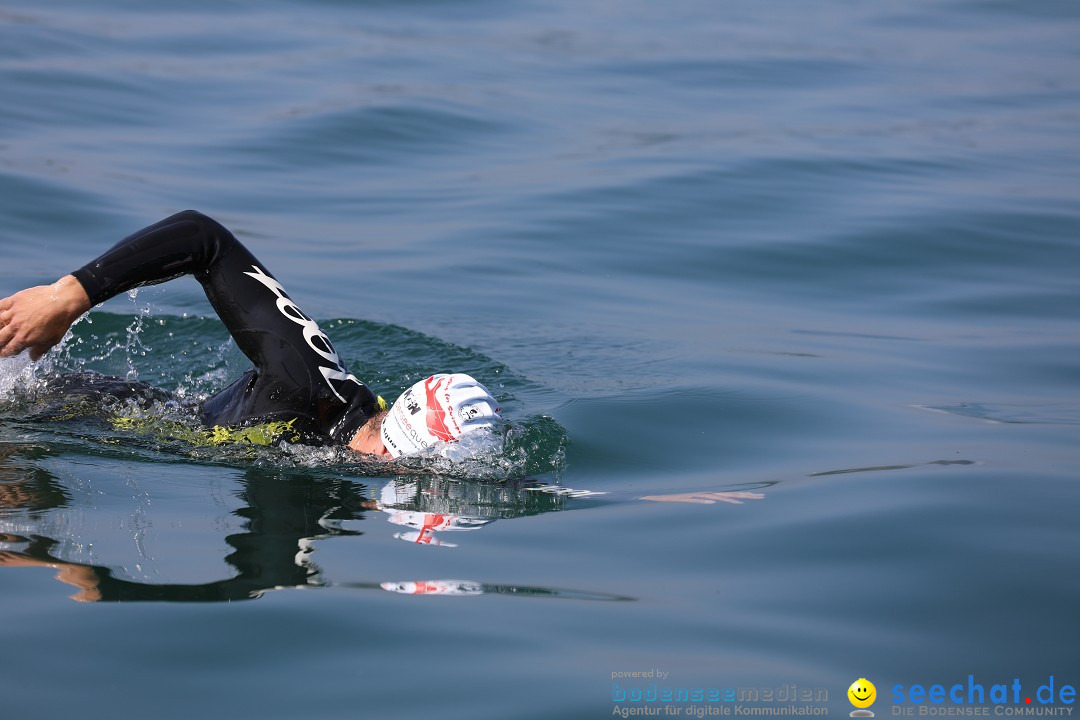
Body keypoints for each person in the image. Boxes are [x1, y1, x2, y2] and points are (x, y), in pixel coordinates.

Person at [0, 210, 501, 458]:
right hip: (77, 408)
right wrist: (68, 296)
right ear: (394, 447)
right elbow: (203, 237)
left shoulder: (338, 476)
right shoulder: (309, 381)